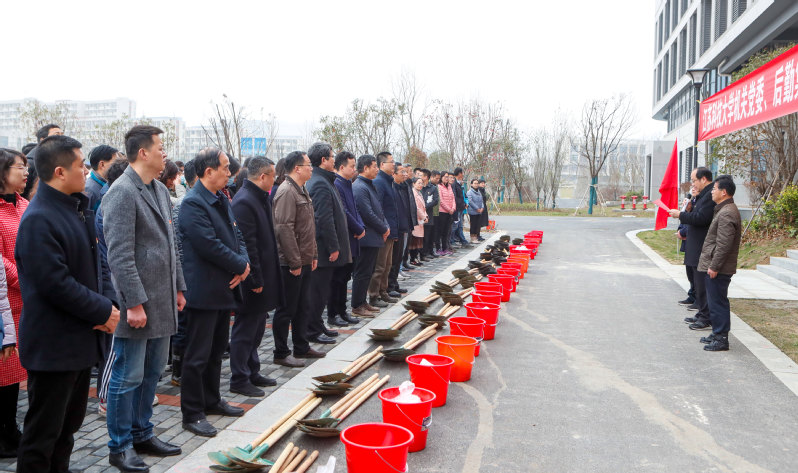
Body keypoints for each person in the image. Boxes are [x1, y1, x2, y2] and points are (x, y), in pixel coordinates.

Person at [15, 135, 120, 472]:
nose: (85, 171)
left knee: (67, 430)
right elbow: (54, 283)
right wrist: (102, 310)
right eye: (79, 165)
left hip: (79, 339)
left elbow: (95, 269)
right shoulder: (39, 218)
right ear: (59, 172)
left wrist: (106, 304)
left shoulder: (75, 209)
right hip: (54, 345)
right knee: (43, 435)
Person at [102, 126, 187, 470]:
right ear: (143, 152)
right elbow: (119, 255)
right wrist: (133, 303)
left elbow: (170, 245)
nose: (164, 153)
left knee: (152, 373)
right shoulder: (122, 192)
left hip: (162, 298)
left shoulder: (159, 189)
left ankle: (142, 432)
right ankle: (120, 445)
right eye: (160, 147)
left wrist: (178, 287)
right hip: (137, 304)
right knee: (128, 376)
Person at [178, 148, 250, 437]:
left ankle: (212, 399)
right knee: (197, 355)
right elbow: (208, 244)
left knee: (217, 351)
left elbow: (237, 234)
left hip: (223, 288)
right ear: (208, 172)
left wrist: (244, 263)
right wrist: (240, 265)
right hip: (203, 290)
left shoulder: (220, 197)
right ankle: (192, 412)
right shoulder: (193, 203)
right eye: (224, 168)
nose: (229, 173)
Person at [229, 157, 282, 397]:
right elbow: (248, 245)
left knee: (258, 327)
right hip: (252, 279)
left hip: (264, 275)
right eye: (273, 176)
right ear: (262, 176)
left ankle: (252, 370)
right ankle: (239, 378)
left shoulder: (259, 197)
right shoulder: (244, 201)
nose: (275, 180)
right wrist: (255, 279)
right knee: (245, 329)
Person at [271, 151, 324, 368]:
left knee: (303, 306)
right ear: (297, 168)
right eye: (308, 165)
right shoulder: (286, 191)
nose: (311, 168)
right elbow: (284, 229)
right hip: (290, 262)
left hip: (304, 259)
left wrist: (313, 254)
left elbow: (308, 227)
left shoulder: (301, 189)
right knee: (287, 309)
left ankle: (301, 346)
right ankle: (281, 352)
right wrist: (294, 262)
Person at [94, 159, 130, 416]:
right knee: (115, 348)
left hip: (118, 283)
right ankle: (106, 397)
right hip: (114, 285)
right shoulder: (111, 201)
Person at [306, 142, 351, 339]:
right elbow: (324, 219)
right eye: (332, 157)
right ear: (324, 160)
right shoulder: (319, 183)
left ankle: (318, 325)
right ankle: (312, 330)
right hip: (323, 250)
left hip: (326, 250)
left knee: (322, 292)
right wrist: (333, 246)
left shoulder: (325, 180)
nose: (334, 160)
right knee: (317, 293)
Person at [0, 149, 29, 458]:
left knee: (14, 374)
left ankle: (11, 429)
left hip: (28, 303)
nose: (25, 172)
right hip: (6, 304)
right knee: (4, 372)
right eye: (19, 167)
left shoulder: (24, 205)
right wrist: (28, 279)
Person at [698, 176, 742, 352]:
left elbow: (724, 244)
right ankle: (717, 333)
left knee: (718, 303)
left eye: (714, 189)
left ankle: (721, 338)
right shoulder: (723, 210)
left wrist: (715, 266)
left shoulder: (727, 212)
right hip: (717, 265)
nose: (712, 192)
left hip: (720, 268)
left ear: (724, 192)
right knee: (714, 301)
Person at [669, 168, 715, 330]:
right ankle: (701, 312)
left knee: (702, 283)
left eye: (694, 180)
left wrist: (680, 215)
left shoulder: (710, 196)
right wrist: (688, 210)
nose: (693, 184)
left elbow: (702, 218)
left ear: (704, 179)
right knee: (697, 282)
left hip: (702, 245)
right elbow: (696, 214)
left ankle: (705, 316)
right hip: (695, 244)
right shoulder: (703, 195)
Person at [169, 160, 198, 388]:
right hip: (186, 273)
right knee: (183, 324)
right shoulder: (185, 204)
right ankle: (178, 371)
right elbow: (177, 244)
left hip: (188, 273)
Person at [330, 151, 365, 322]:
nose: (354, 169)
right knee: (337, 278)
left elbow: (355, 209)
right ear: (342, 167)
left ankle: (343, 311)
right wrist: (357, 228)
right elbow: (344, 211)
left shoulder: (348, 183)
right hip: (344, 237)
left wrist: (361, 226)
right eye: (352, 166)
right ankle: (334, 313)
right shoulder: (337, 184)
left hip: (353, 236)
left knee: (345, 277)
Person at [352, 155, 389, 316]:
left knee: (368, 271)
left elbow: (378, 210)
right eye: (374, 166)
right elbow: (367, 213)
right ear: (365, 168)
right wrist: (383, 228)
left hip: (374, 236)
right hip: (366, 237)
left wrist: (385, 226)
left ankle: (363, 302)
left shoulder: (369, 185)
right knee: (362, 272)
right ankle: (357, 305)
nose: (377, 169)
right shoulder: (359, 187)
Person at [368, 152, 399, 308]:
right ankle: (374, 295)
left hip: (390, 229)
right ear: (382, 165)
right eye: (391, 162)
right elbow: (378, 208)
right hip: (383, 231)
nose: (394, 164)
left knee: (387, 264)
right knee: (379, 266)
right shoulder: (379, 182)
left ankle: (383, 291)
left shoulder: (389, 181)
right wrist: (383, 228)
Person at [388, 163, 411, 296]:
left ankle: (395, 284)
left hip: (403, 226)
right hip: (395, 228)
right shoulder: (392, 187)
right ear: (394, 174)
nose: (405, 174)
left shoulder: (403, 187)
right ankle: (390, 286)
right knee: (392, 260)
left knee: (398, 259)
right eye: (402, 172)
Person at [85, 145, 120, 212]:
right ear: (102, 164)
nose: (118, 166)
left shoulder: (109, 184)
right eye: (116, 163)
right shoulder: (89, 190)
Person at [409, 177, 428, 265]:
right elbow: (416, 208)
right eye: (418, 183)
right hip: (416, 219)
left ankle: (415, 258)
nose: (421, 185)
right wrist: (423, 217)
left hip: (421, 220)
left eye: (421, 183)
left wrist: (425, 216)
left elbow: (423, 207)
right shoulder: (413, 193)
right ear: (413, 184)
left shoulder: (419, 193)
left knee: (418, 240)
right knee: (414, 240)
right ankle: (413, 258)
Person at [450, 167, 470, 248]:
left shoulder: (459, 184)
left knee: (460, 225)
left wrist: (465, 203)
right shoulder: (454, 184)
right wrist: (460, 204)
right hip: (457, 208)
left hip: (461, 208)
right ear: (459, 174)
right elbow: (455, 197)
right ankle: (451, 241)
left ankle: (463, 240)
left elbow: (462, 196)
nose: (463, 174)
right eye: (462, 173)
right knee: (455, 226)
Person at [421, 170, 439, 259]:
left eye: (421, 175)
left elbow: (435, 200)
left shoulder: (433, 188)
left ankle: (430, 251)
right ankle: (423, 253)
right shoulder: (418, 186)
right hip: (419, 214)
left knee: (429, 234)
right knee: (422, 235)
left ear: (426, 177)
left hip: (429, 213)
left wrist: (425, 206)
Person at [436, 171, 455, 256]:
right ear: (441, 177)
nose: (447, 178)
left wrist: (453, 208)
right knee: (440, 231)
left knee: (446, 231)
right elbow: (441, 200)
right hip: (442, 212)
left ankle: (445, 248)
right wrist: (448, 209)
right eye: (445, 177)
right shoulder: (439, 186)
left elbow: (453, 198)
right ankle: (438, 248)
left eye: (448, 177)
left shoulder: (449, 186)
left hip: (450, 212)